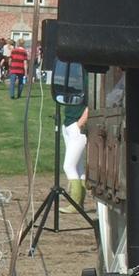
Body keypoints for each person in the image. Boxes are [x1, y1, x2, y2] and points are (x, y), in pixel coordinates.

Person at [53, 61, 89, 213]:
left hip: (77, 126)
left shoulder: (88, 77)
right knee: (78, 167)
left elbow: (92, 103)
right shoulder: (76, 73)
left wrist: (81, 123)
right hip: (69, 124)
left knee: (68, 166)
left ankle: (75, 203)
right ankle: (78, 203)